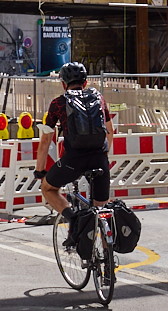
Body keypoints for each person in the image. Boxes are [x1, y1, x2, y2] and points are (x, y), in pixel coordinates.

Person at [35, 62, 114, 239]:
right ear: (85, 82)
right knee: (101, 209)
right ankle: (107, 260)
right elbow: (110, 131)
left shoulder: (58, 104)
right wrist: (104, 156)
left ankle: (73, 218)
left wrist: (40, 171)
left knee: (48, 188)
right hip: (99, 159)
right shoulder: (99, 98)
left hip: (73, 160)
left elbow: (46, 140)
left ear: (63, 84)